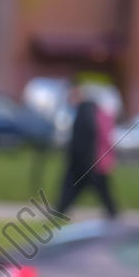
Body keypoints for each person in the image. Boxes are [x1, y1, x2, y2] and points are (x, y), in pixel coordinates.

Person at [55, 83, 120, 219]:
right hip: (89, 160)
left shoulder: (85, 111)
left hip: (87, 161)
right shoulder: (90, 110)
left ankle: (60, 210)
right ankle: (60, 210)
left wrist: (84, 158)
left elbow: (87, 138)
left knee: (85, 187)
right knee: (93, 188)